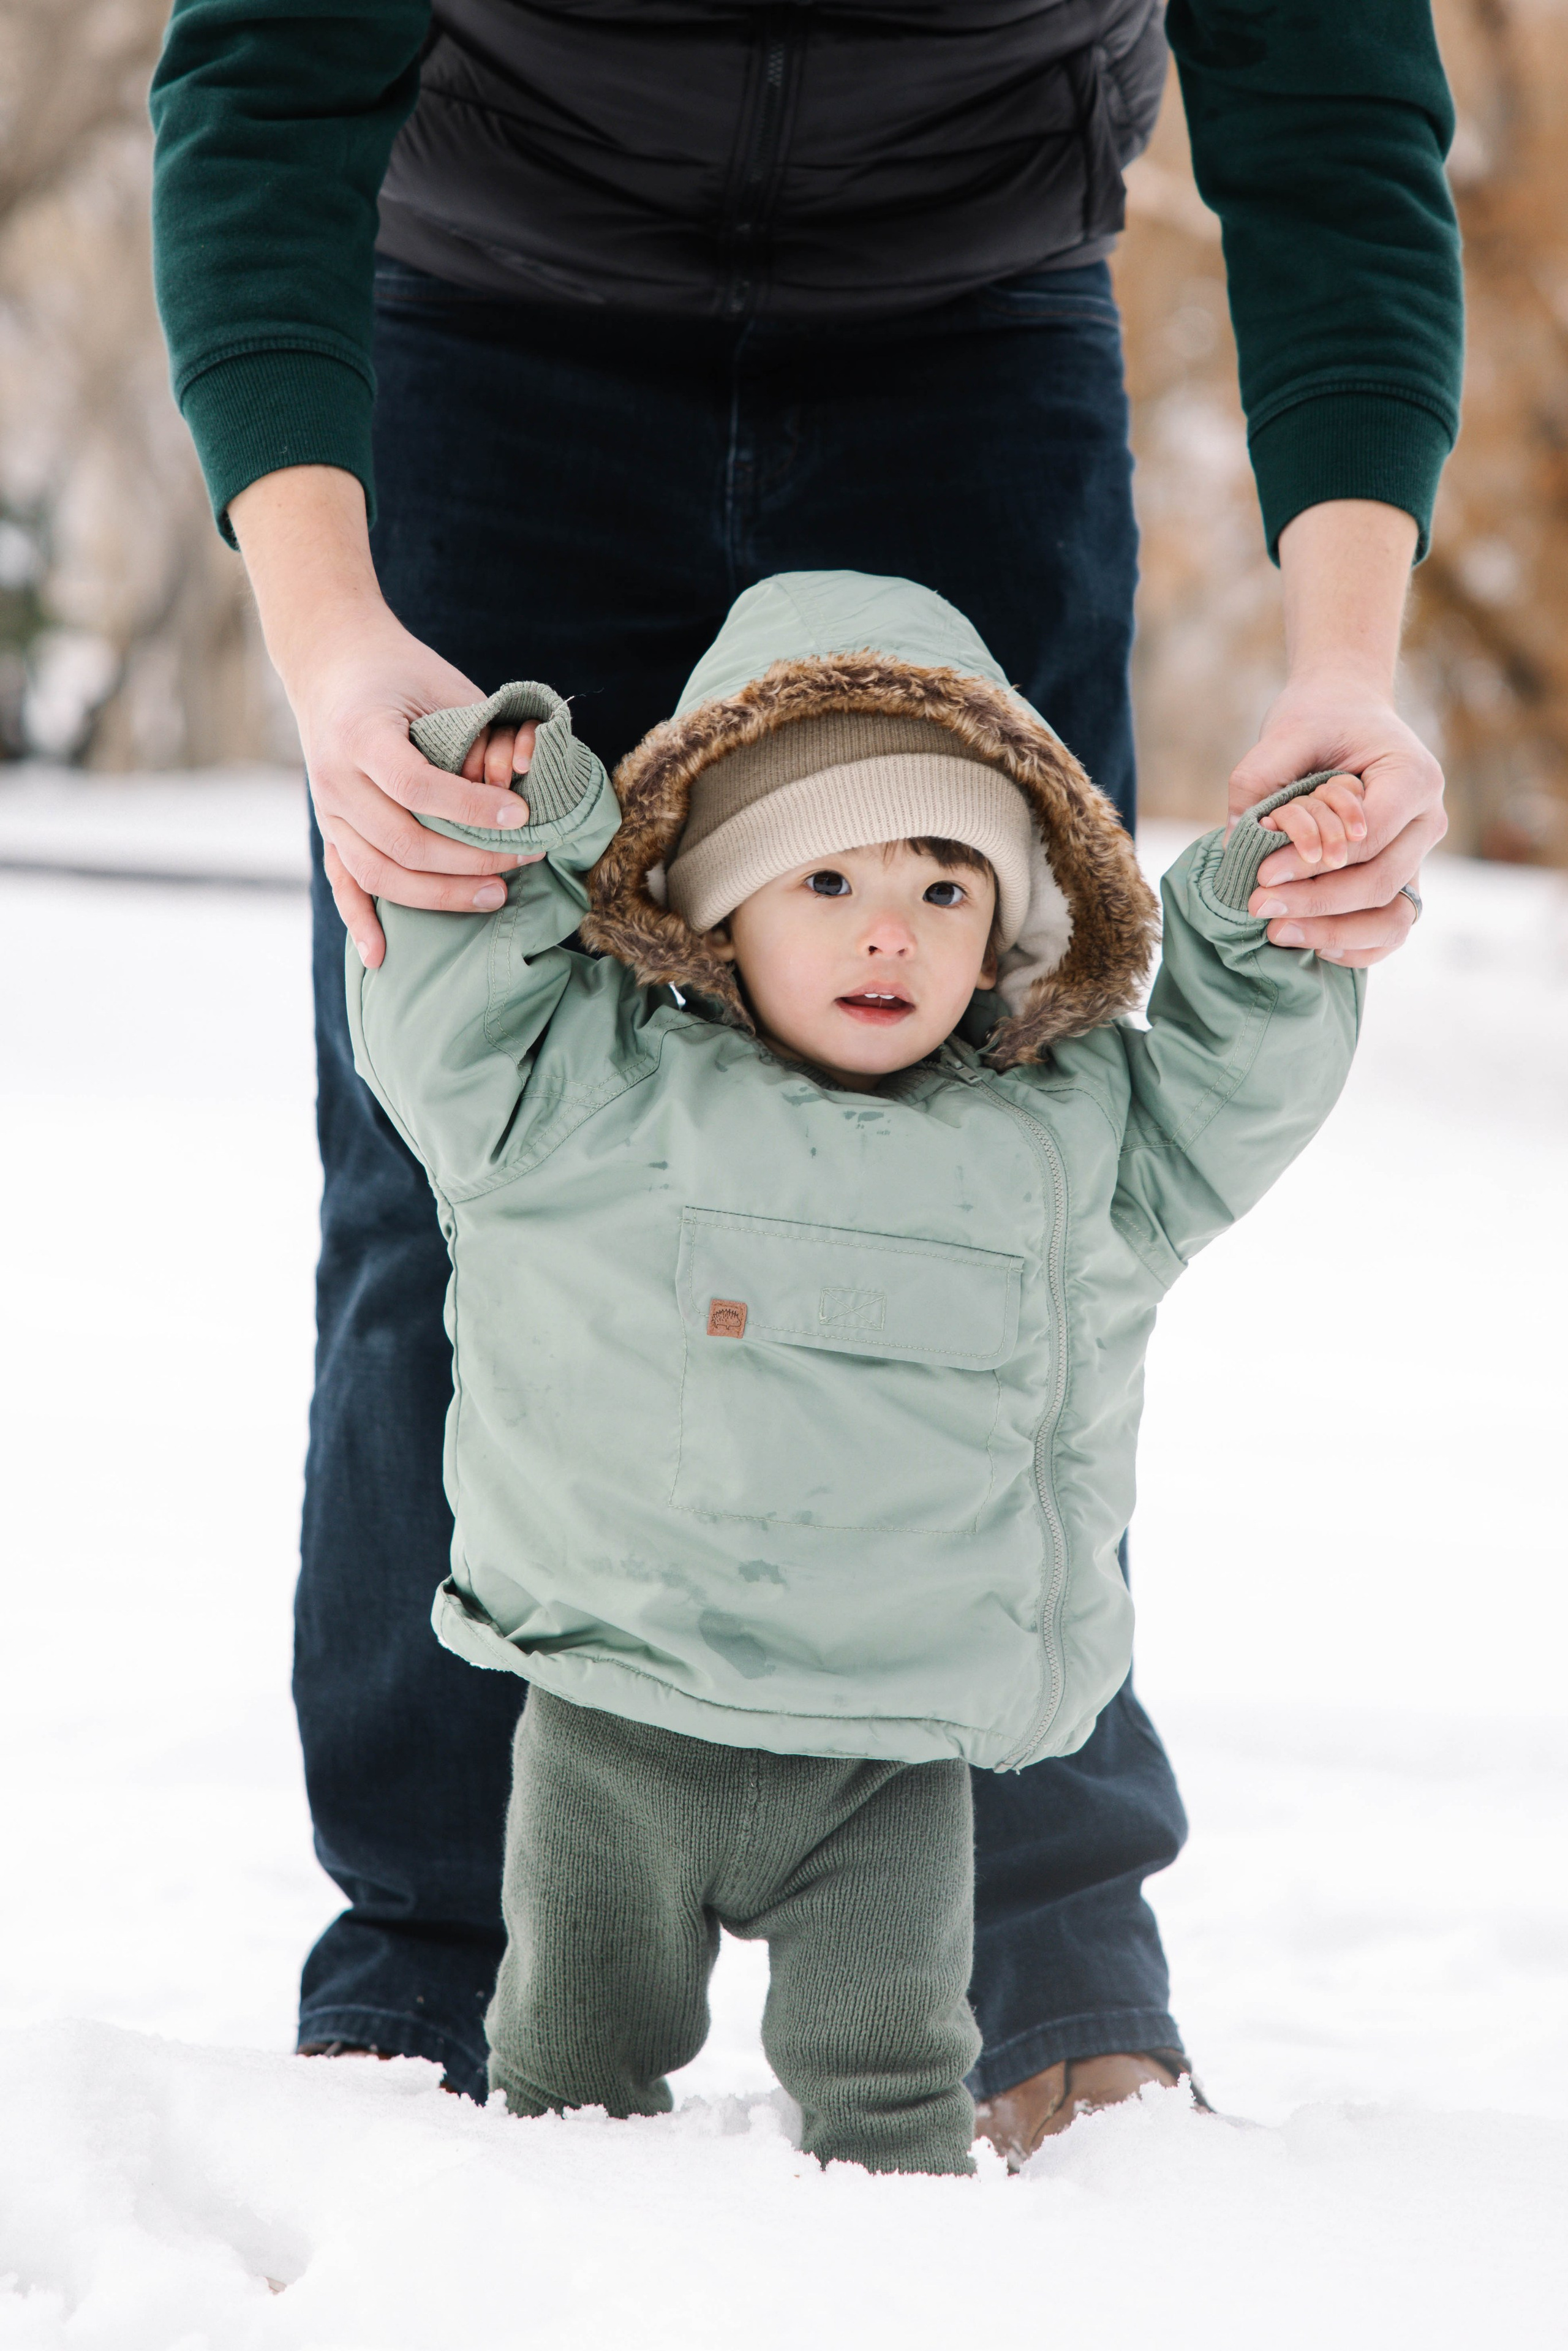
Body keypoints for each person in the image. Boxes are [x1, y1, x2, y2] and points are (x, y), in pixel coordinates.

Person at [149, 0, 1461, 2158]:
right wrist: (328, 631)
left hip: (968, 338)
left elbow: (1330, 119)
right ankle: (434, 1967)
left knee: (1014, 1148)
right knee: (451, 1170)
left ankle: (1045, 1952)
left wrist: (1345, 664)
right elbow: (267, 73)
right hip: (488, 322)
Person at [346, 566, 1363, 2173]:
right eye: (824, 877)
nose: (891, 927)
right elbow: (449, 1011)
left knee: (892, 2111)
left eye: (947, 886)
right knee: (569, 2098)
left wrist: (1267, 933)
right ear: (718, 903)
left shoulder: (1069, 1145)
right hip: (620, 1729)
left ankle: (900, 2280)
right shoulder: (589, 1098)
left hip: (888, 1764)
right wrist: (495, 820)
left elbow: (1234, 1091)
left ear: (1009, 926)